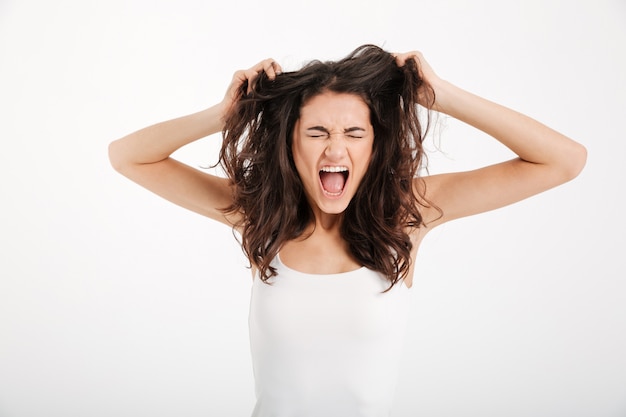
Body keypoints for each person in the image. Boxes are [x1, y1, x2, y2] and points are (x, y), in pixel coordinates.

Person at [108, 44, 586, 416]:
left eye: (354, 133)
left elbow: (563, 161)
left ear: (375, 146)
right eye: (317, 132)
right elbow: (128, 156)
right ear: (290, 141)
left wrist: (443, 96)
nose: (335, 150)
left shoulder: (409, 213)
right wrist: (225, 112)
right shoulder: (261, 215)